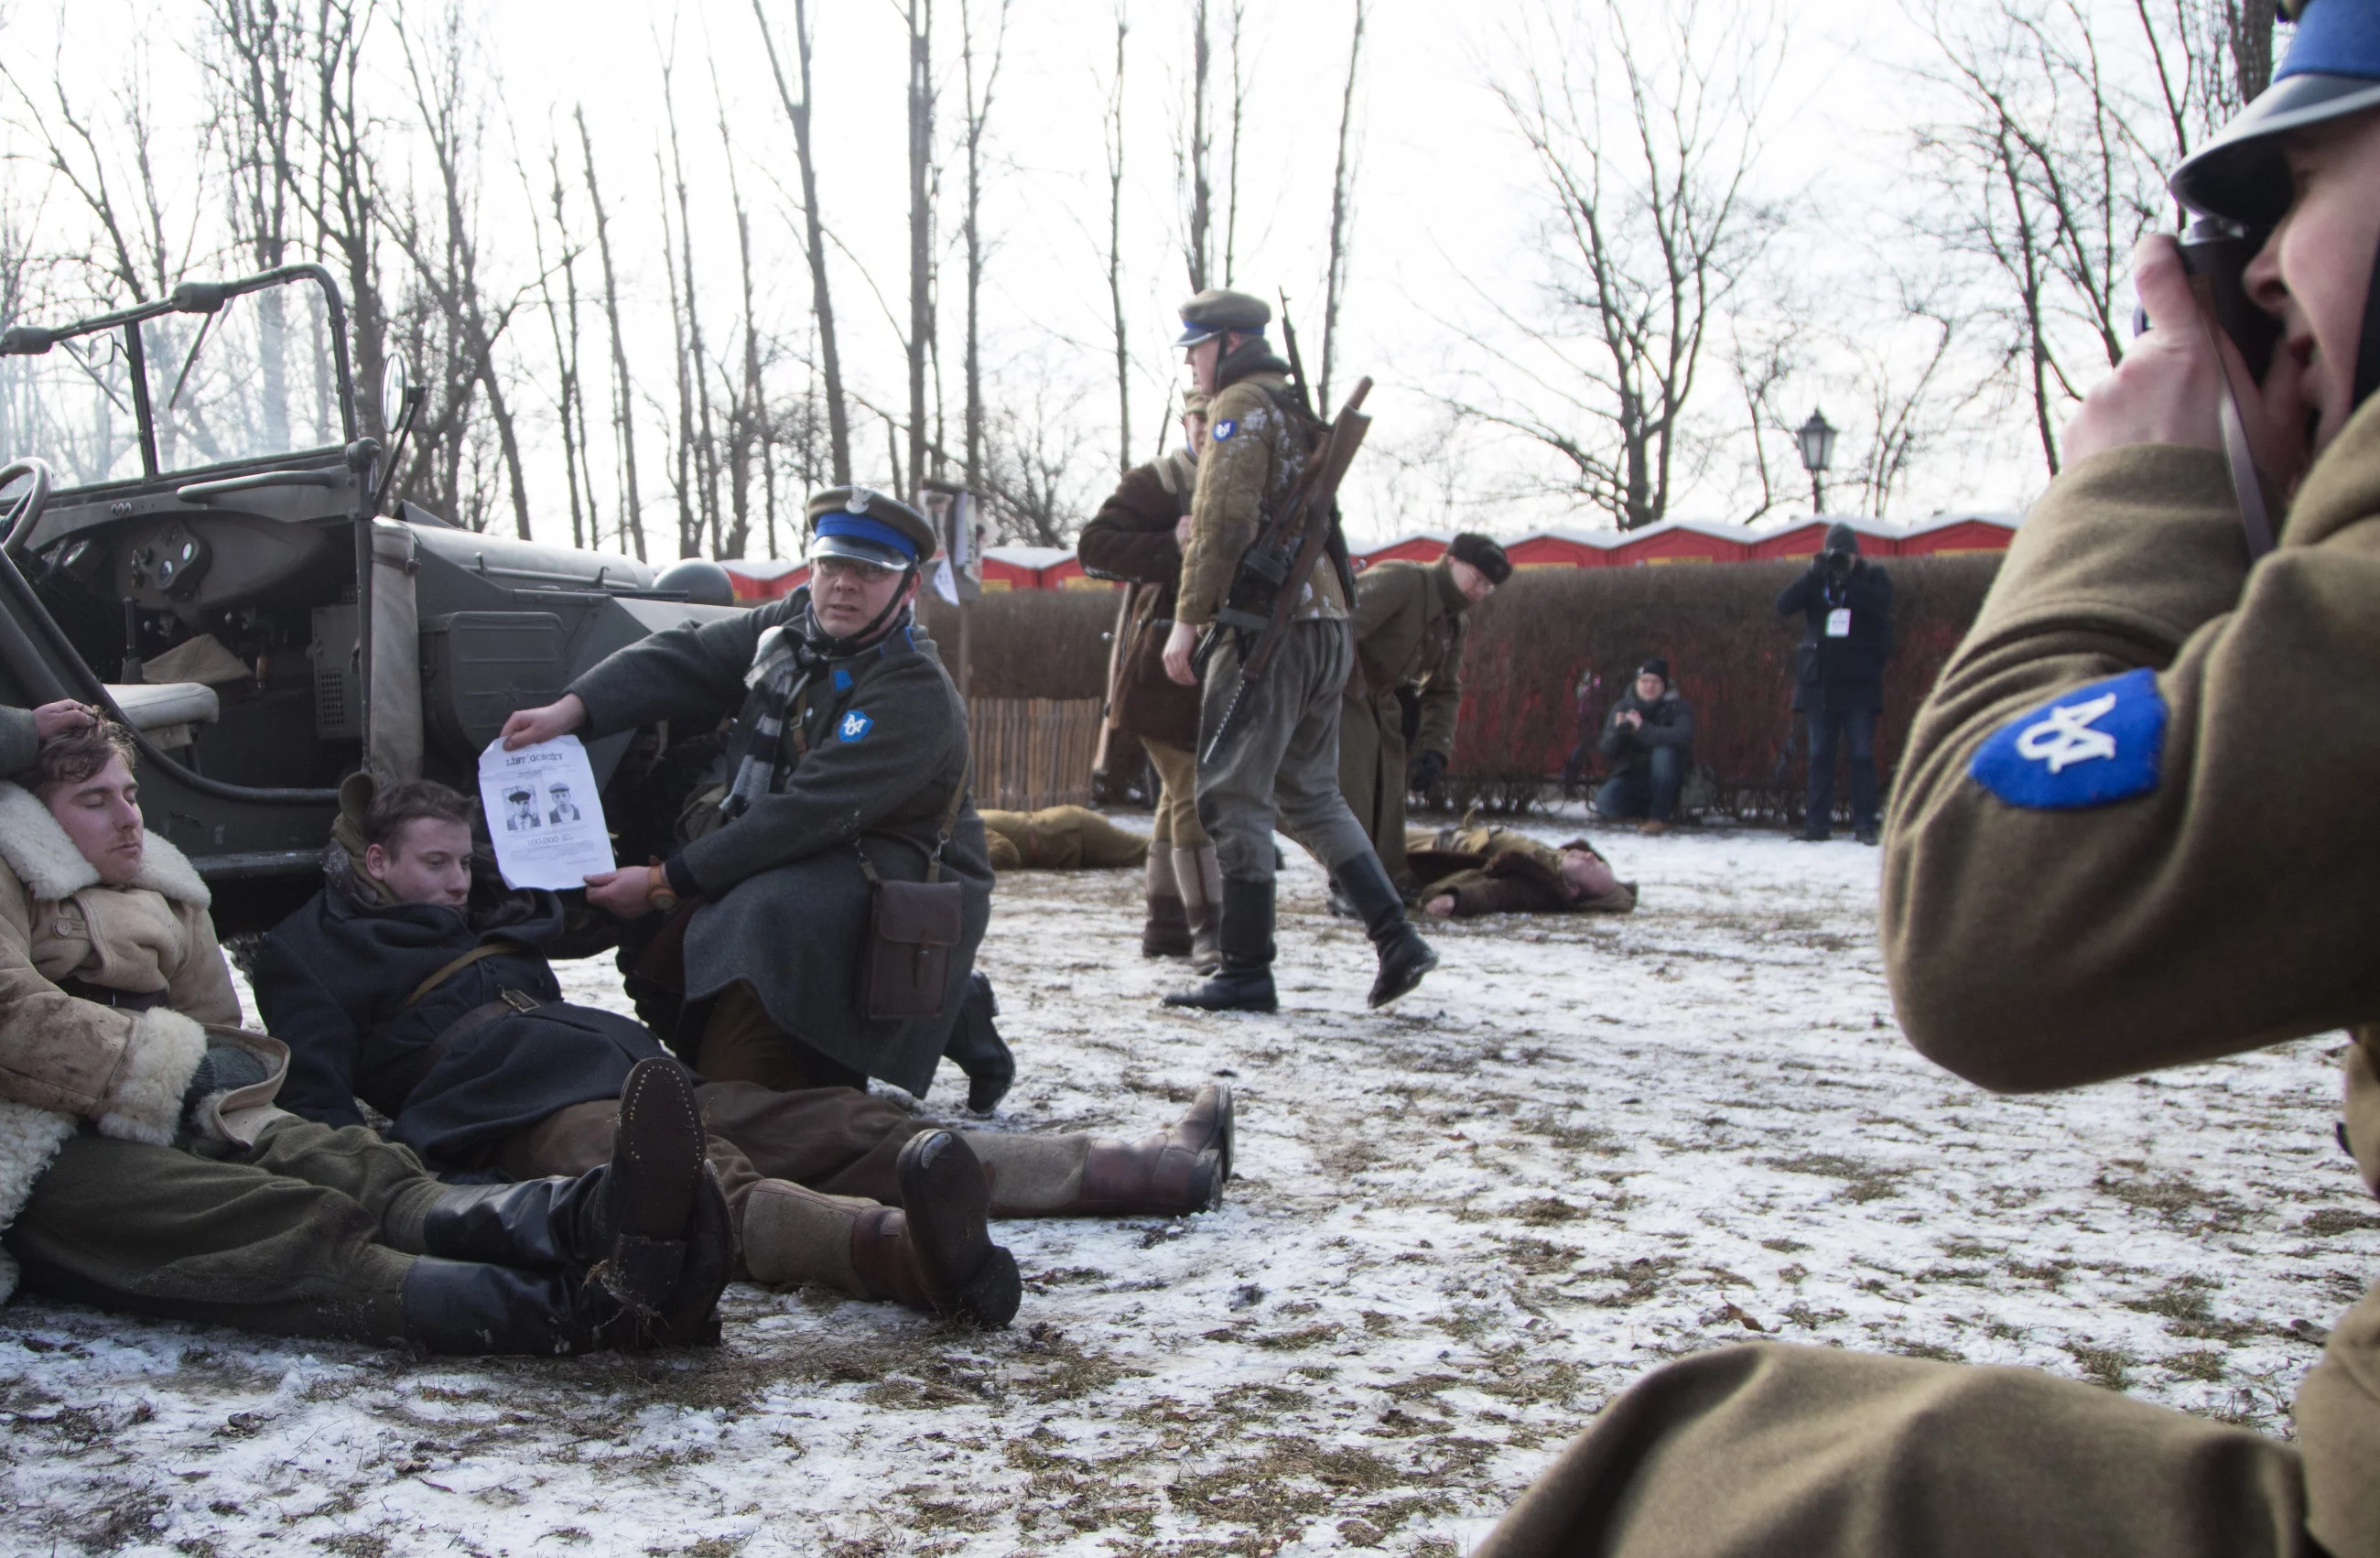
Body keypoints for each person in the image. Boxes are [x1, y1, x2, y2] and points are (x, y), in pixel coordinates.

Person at [1471, 8, 2380, 1552]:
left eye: (2307, 184)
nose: (2269, 264)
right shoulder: (1815, 590)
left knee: (1717, 1481)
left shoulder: (1870, 593)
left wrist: (2144, 484)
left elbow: (1988, 919)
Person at [252, 776, 1237, 1330]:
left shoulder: (489, 908)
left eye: (464, 863)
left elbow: (592, 907)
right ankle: (904, 1258)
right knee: (694, 1179)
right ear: (375, 861)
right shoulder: (306, 950)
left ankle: (1138, 1171)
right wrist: (392, 1185)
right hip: (508, 1113)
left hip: (618, 1061)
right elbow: (323, 1097)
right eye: (434, 864)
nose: (455, 885)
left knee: (838, 1121)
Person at [0, 717, 731, 1355]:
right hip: (32, 1138)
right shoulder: (11, 871)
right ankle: (577, 1315)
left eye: (130, 794)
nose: (129, 818)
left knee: (349, 1161)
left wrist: (210, 1083)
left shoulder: (165, 887)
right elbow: (12, 1010)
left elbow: (212, 1028)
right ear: (36, 817)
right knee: (263, 1218)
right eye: (94, 802)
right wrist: (171, 1068)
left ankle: (589, 1219)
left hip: (176, 1098)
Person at [498, 488, 994, 1104]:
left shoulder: (912, 688)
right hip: (819, 848)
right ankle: (948, 1004)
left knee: (754, 911)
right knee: (684, 930)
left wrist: (662, 881)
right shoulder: (793, 628)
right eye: (831, 565)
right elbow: (690, 656)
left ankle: (882, 1031)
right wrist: (571, 709)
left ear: (908, 587)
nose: (843, 585)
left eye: (868, 572)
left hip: (900, 866)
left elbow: (803, 815)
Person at [1155, 287, 1437, 1013]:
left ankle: (1246, 970)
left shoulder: (1242, 406)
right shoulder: (1291, 409)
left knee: (1229, 791)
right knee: (1311, 793)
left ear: (1225, 342)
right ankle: (1396, 936)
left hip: (1267, 630)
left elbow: (1221, 523)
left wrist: (1188, 622)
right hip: (1325, 623)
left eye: (1196, 345)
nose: (1191, 360)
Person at [1075, 395, 1220, 967]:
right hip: (1162, 664)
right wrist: (1171, 544)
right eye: (1199, 418)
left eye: (1220, 419)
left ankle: (1166, 929)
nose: (1209, 430)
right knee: (1194, 792)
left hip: (1219, 661)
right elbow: (1093, 549)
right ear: (1186, 422)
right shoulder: (1159, 481)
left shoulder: (1250, 477)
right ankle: (1211, 933)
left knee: (1178, 797)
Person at [1338, 534, 1510, 892]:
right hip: (1340, 693)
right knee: (1356, 791)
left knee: (1389, 803)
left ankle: (1383, 882)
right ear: (1450, 561)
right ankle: (1351, 884)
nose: (1480, 591)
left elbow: (1444, 688)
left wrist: (1435, 747)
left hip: (1383, 703)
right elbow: (1338, 628)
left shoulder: (1454, 622)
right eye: (1476, 579)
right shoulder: (1405, 580)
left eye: (1488, 586)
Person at [1775, 522, 1894, 843]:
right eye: (1834, 554)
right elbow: (1783, 606)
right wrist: (1813, 575)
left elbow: (1880, 605)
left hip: (1860, 684)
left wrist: (1848, 582)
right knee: (1819, 755)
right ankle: (1817, 824)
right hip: (1820, 684)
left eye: (1846, 554)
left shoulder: (1873, 577)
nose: (1840, 560)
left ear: (1857, 555)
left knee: (1861, 755)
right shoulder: (1818, 580)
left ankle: (1865, 823)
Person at [1404, 820, 1637, 919]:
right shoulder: (1557, 861)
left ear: (1574, 890)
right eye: (1597, 859)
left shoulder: (1541, 887)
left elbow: (1497, 893)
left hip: (1427, 853)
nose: (1590, 857)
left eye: (1592, 867)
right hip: (1444, 837)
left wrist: (1457, 899)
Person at [1592, 658, 1694, 834]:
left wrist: (1641, 729)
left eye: (1655, 682)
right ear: (1637, 682)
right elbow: (1606, 750)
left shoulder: (1678, 707)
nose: (1649, 686)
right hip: (1630, 776)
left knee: (1664, 752)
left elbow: (1683, 736)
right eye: (1644, 681)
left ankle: (1659, 817)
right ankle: (1643, 813)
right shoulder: (1623, 706)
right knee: (1605, 803)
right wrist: (1619, 731)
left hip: (1668, 780)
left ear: (1664, 684)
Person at [979, 806, 1151, 872]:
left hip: (1075, 832)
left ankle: (1176, 837)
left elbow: (1006, 853)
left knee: (1148, 853)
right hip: (1062, 843)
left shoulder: (963, 826)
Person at [1558, 670, 1600, 800]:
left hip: (1589, 724)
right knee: (1584, 749)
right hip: (1593, 724)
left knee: (1583, 750)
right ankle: (1567, 778)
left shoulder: (1590, 681)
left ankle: (1567, 778)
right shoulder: (1596, 683)